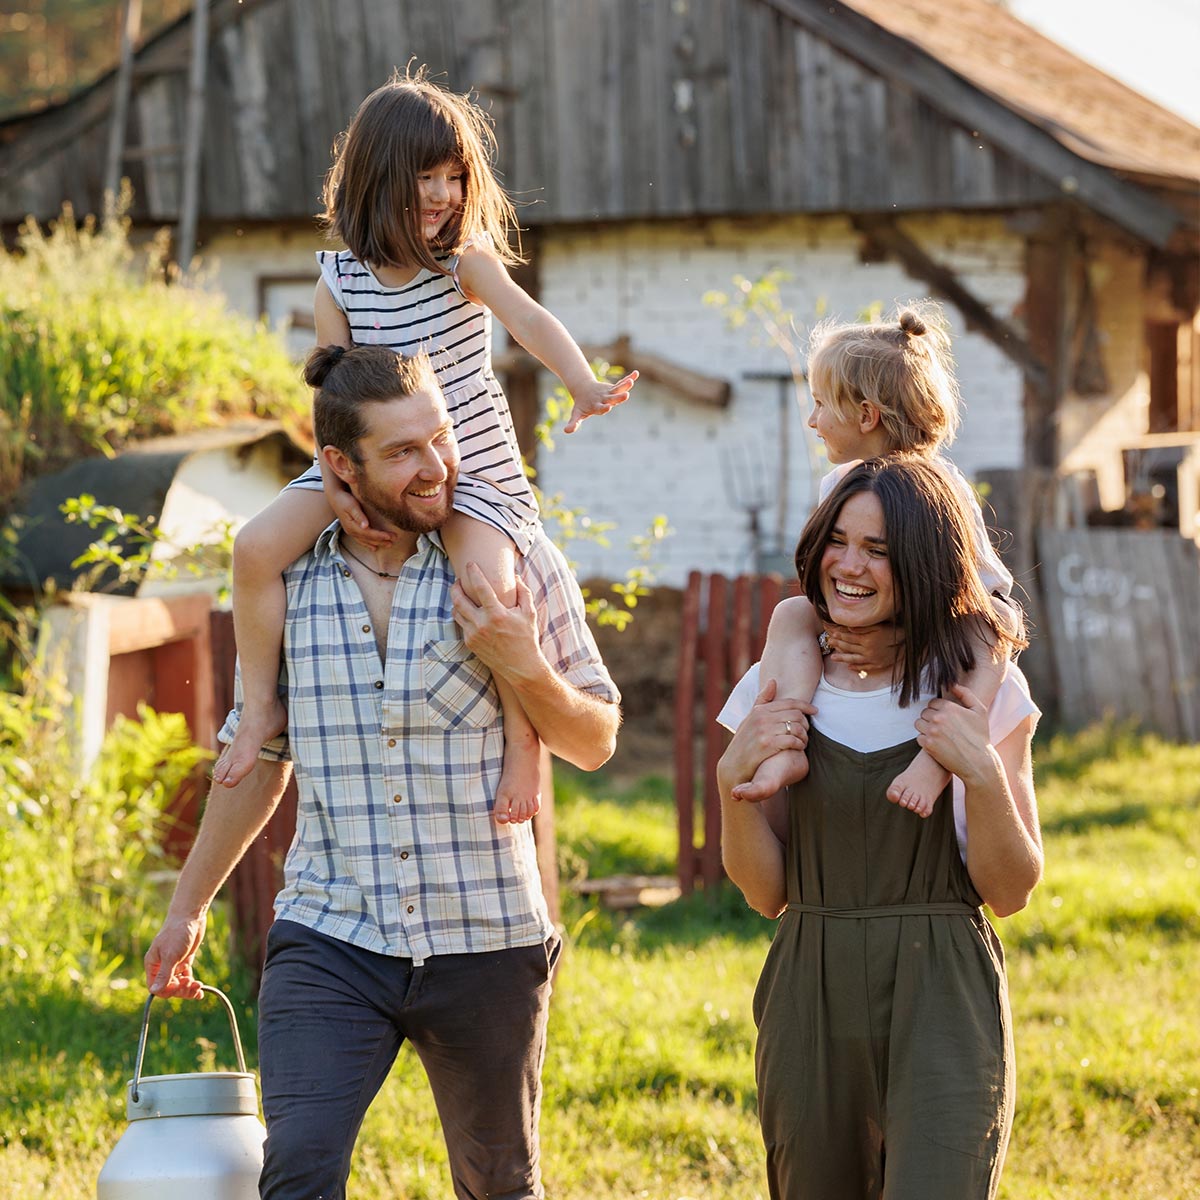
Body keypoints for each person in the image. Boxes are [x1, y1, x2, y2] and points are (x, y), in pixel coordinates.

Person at [145, 344, 621, 1200]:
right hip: (332, 932)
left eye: (439, 439)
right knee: (297, 1172)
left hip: (486, 935)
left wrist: (525, 666)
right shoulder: (288, 577)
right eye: (403, 453)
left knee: (499, 1185)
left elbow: (595, 739)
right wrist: (187, 910)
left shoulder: (512, 557)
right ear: (339, 465)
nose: (437, 466)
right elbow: (257, 758)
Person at [215, 66, 637, 822]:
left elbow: (530, 321)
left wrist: (579, 382)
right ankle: (257, 710)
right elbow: (332, 399)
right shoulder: (337, 284)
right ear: (378, 180)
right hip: (368, 465)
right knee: (253, 549)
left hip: (471, 472)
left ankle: (522, 742)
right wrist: (338, 487)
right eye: (424, 177)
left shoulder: (463, 263)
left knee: (488, 587)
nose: (443, 195)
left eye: (454, 176)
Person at [718, 455, 1042, 1200]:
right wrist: (728, 786)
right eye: (839, 540)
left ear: (926, 565)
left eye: (879, 550)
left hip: (944, 993)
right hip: (811, 987)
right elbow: (767, 895)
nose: (848, 566)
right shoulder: (777, 680)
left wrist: (981, 773)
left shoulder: (983, 690)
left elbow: (1014, 890)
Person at [734, 304, 1018, 818]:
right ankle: (787, 743)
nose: (812, 419)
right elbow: (833, 586)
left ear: (866, 416)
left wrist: (905, 635)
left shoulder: (941, 489)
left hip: (953, 627)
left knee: (993, 632)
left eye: (821, 404)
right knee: (791, 613)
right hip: (877, 624)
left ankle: (936, 759)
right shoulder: (839, 484)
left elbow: (988, 597)